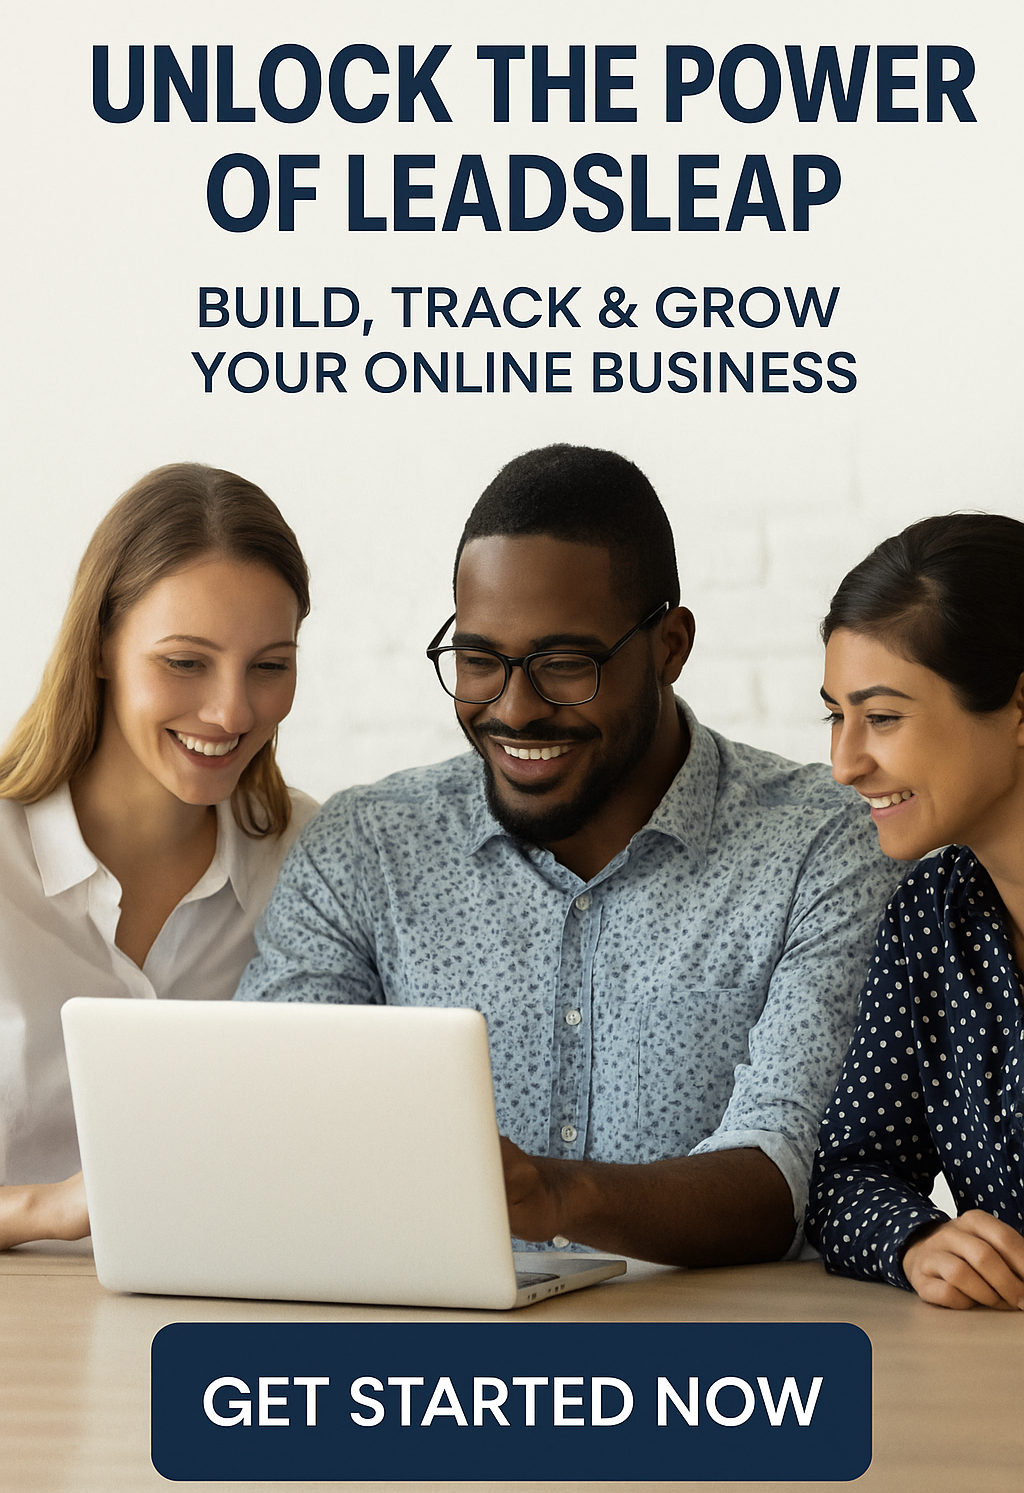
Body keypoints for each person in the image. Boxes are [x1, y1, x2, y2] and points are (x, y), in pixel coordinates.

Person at [239, 443, 897, 1267]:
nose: (515, 709)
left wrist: (553, 1198)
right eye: (479, 660)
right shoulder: (366, 847)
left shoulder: (822, 845)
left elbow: (785, 1182)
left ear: (670, 646)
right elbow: (276, 1129)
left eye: (564, 665)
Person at [0, 463, 317, 1248]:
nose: (232, 710)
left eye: (270, 666)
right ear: (101, 645)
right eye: (185, 662)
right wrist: (42, 1210)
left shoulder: (316, 866)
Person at [807, 512, 1024, 1309]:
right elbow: (847, 1176)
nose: (844, 763)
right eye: (837, 715)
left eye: (883, 717)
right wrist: (922, 1242)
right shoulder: (931, 919)